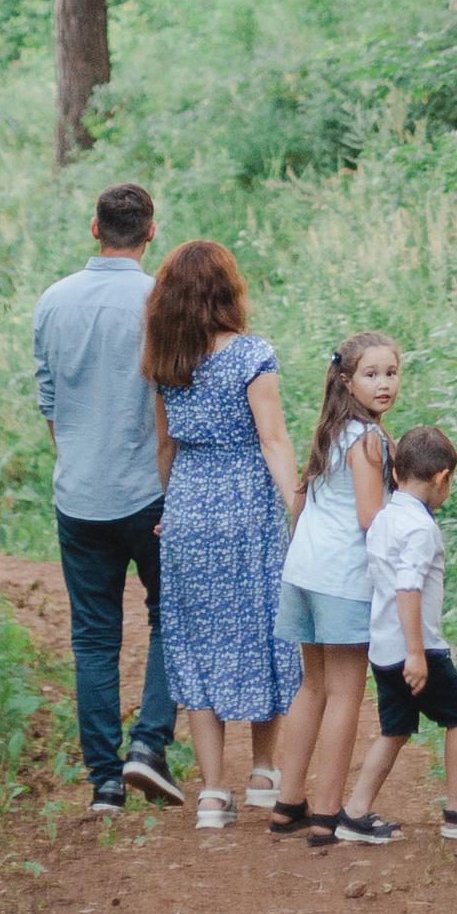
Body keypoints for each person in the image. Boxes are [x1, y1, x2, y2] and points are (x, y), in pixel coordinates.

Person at [32, 183, 184, 817]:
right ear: (152, 234)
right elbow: (180, 399)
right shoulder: (162, 302)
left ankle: (104, 784)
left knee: (93, 638)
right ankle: (148, 745)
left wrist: (75, 461)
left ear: (94, 229)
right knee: (172, 616)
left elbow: (49, 402)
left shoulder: (53, 301)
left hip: (80, 495)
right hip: (151, 492)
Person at [143, 239, 303, 828]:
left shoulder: (166, 361)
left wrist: (170, 506)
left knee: (195, 639)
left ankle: (212, 793)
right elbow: (274, 440)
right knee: (262, 627)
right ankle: (263, 772)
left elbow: (166, 445)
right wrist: (297, 509)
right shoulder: (252, 354)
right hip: (246, 508)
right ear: (227, 291)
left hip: (188, 506)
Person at [268, 331, 400, 850]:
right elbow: (371, 519)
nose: (384, 383)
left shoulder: (331, 430)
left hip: (303, 572)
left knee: (313, 686)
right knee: (346, 692)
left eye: (391, 373)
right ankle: (327, 815)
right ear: (347, 380)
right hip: (342, 580)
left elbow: (300, 503)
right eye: (371, 374)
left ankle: (288, 804)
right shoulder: (370, 440)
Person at [342, 424, 457, 847]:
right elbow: (408, 588)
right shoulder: (421, 529)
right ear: (442, 478)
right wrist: (417, 652)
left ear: (395, 475)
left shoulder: (382, 519)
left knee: (394, 730)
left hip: (383, 649)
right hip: (419, 650)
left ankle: (355, 813)